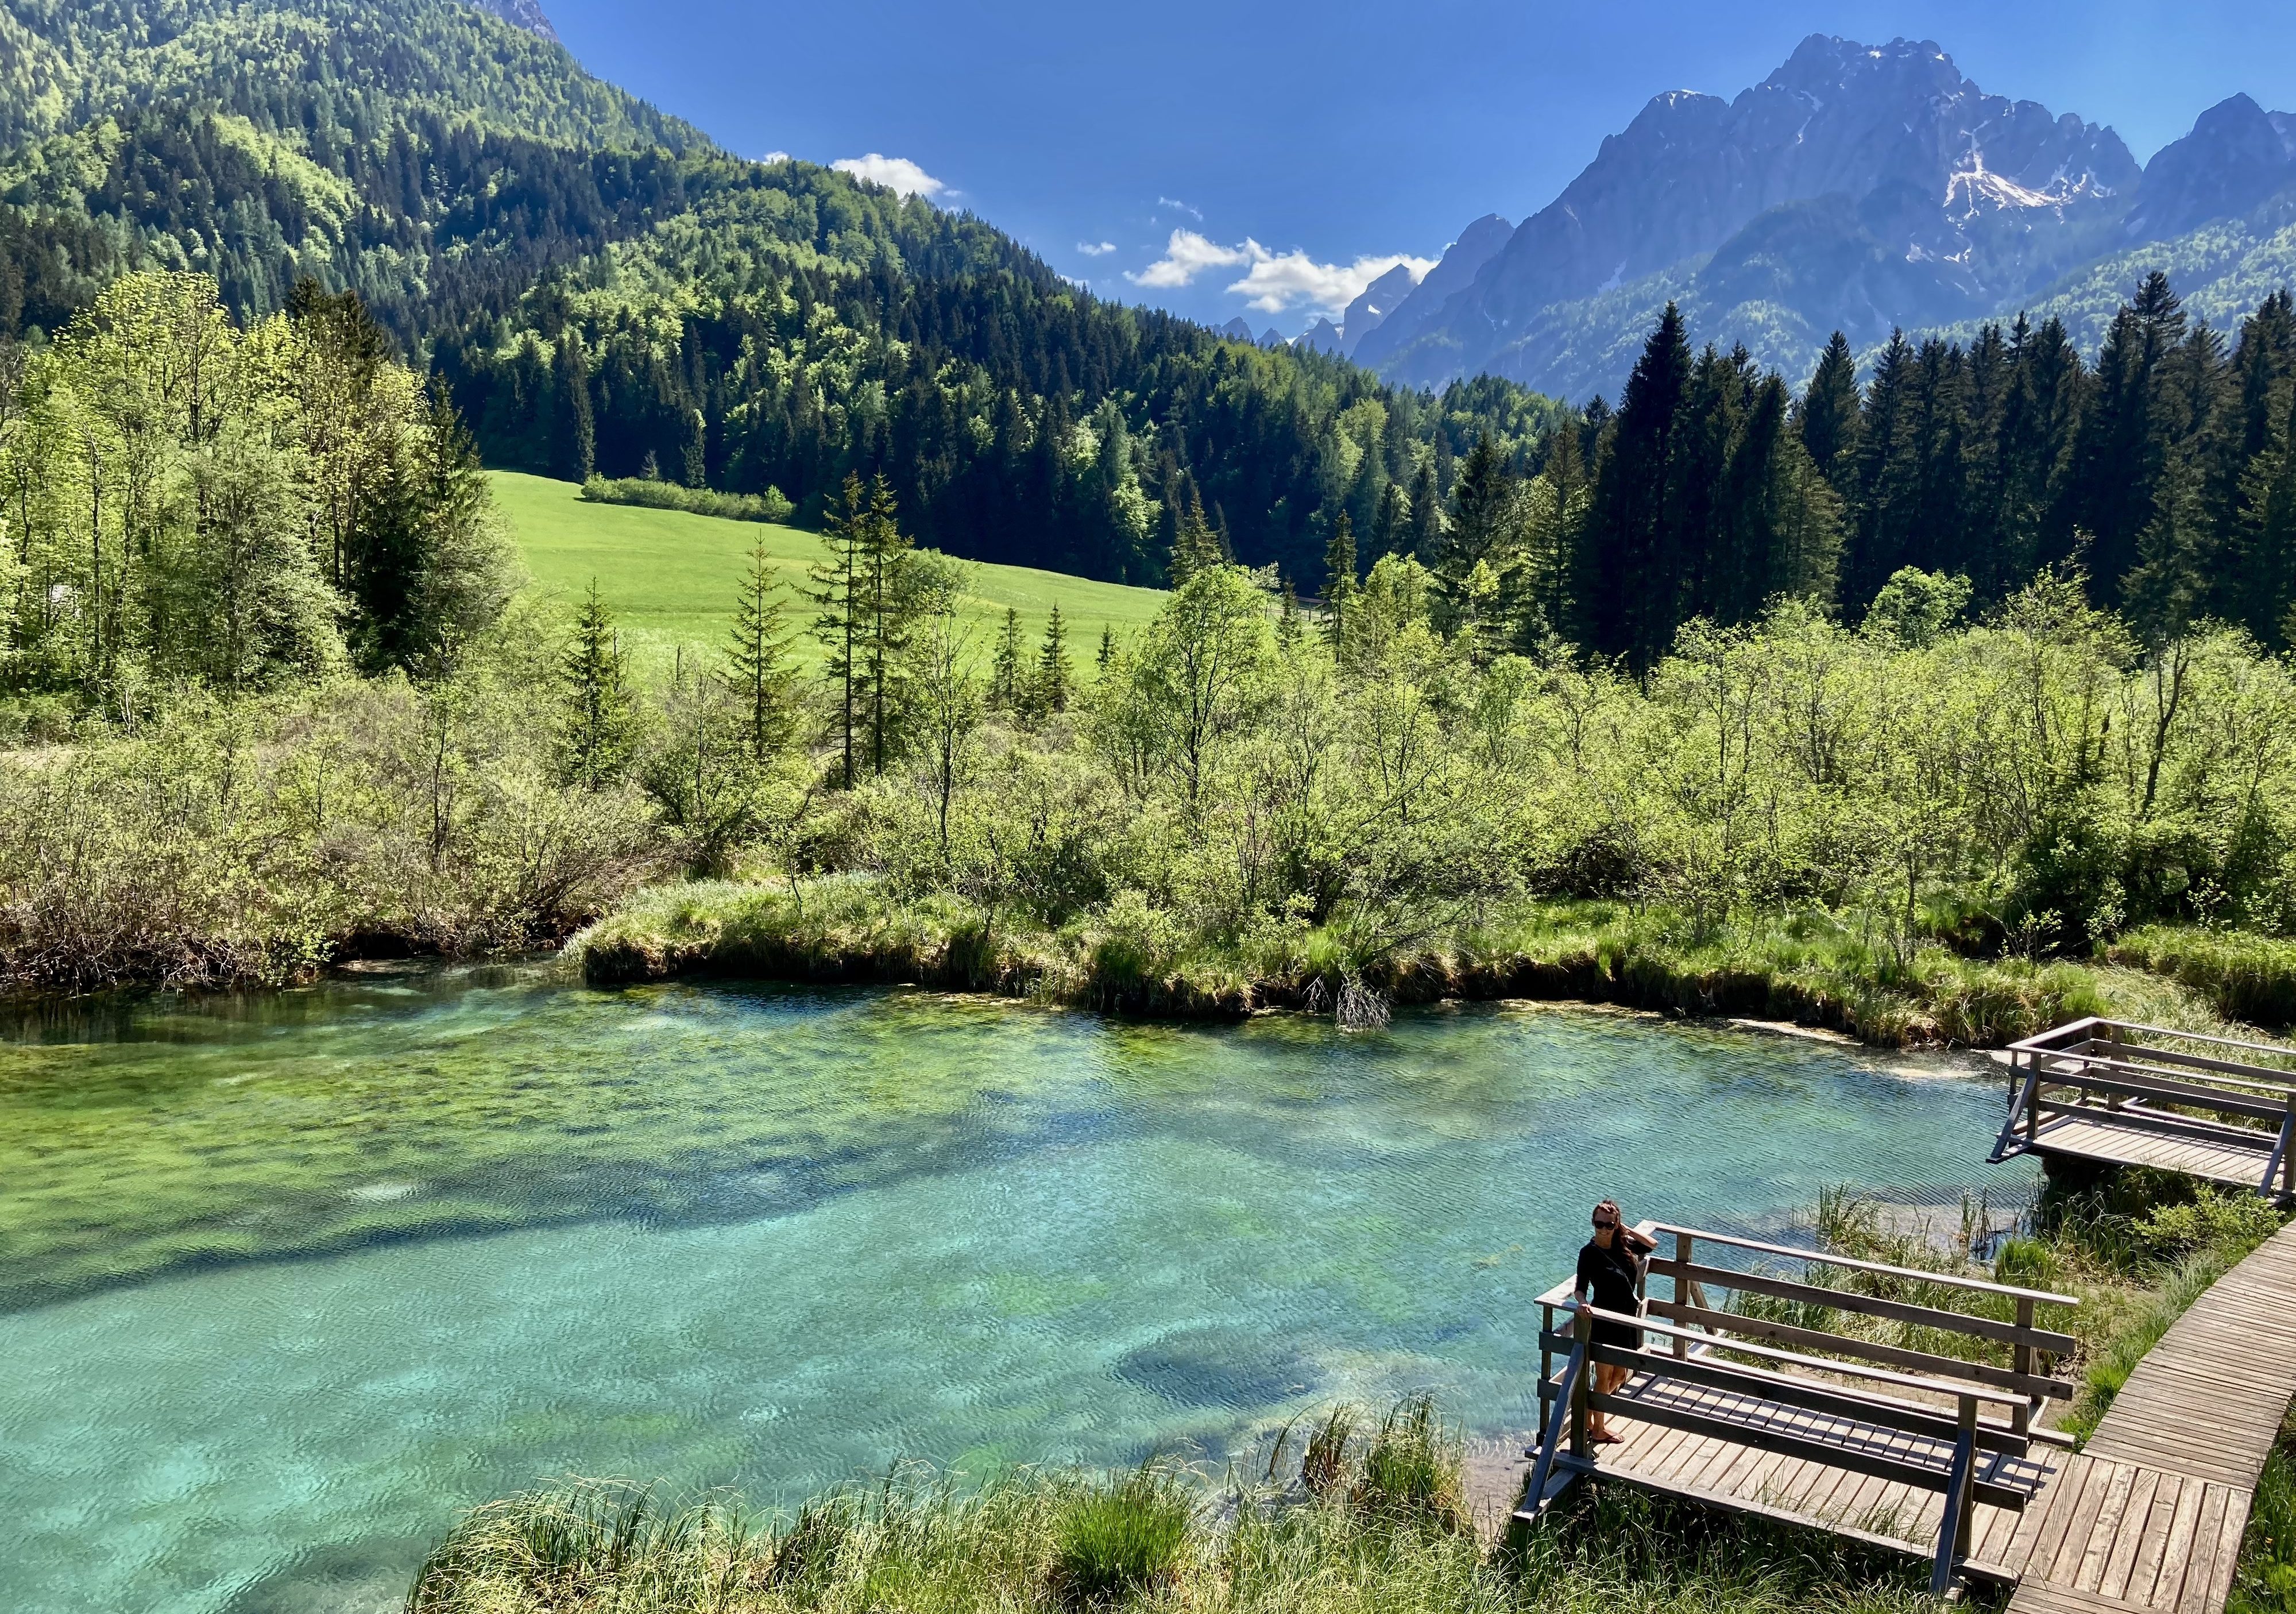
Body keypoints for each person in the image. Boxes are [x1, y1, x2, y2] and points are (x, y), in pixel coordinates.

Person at [1571, 1198, 1656, 1445]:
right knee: (1605, 1376)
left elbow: (1652, 1244)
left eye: (1609, 1225)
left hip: (1626, 1320)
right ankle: (1598, 1428)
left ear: (1616, 1224)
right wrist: (1582, 1302)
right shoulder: (1588, 1253)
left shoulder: (1624, 1246)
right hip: (1604, 1320)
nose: (1603, 1229)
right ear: (1593, 1223)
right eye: (1599, 1224)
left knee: (1620, 1376)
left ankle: (1588, 1416)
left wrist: (1626, 1229)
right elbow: (1580, 1287)